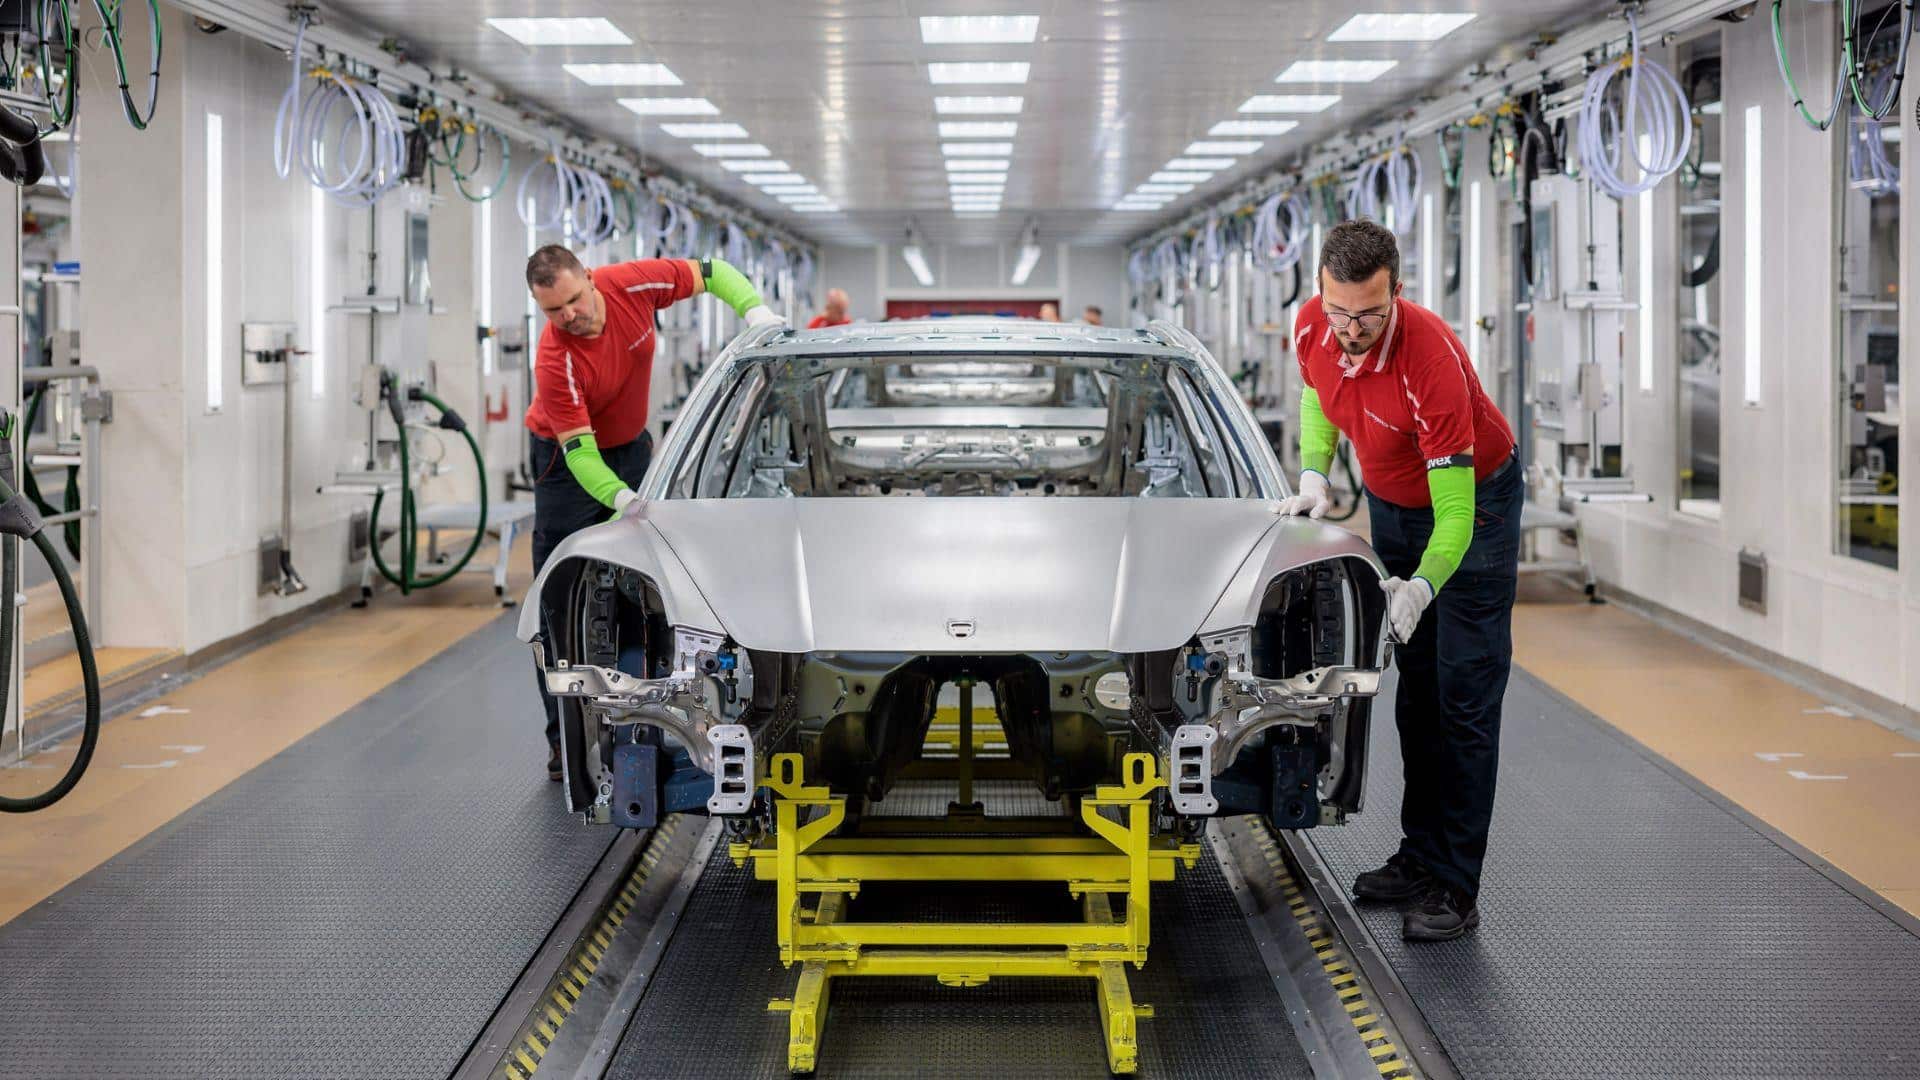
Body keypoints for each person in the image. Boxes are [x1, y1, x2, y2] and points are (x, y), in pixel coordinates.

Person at [1277, 219, 1520, 942]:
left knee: (1463, 693)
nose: (1351, 329)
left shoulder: (1430, 360)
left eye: (1369, 314)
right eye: (1339, 310)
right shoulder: (1313, 327)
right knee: (1416, 693)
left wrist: (1420, 587)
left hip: (1472, 508)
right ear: (1321, 290)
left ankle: (1455, 884)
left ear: (1397, 294)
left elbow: (1456, 519)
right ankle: (1419, 859)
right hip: (1392, 503)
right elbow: (1320, 396)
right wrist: (1315, 471)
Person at [524, 245, 784, 780]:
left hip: (631, 446)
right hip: (565, 463)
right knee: (559, 600)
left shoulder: (632, 286)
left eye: (573, 300)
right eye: (553, 310)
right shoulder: (555, 357)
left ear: (590, 279)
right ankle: (563, 740)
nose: (568, 316)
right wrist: (622, 499)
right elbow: (580, 453)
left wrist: (753, 310)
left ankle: (651, 719)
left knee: (648, 587)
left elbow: (711, 271)